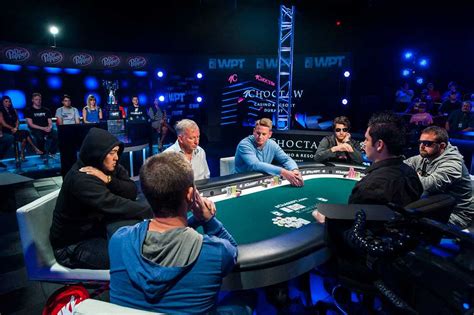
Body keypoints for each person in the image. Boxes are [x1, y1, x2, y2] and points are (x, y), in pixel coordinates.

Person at [109, 152, 237, 313]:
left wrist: (195, 220)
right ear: (191, 195)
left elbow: (170, 234)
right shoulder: (216, 251)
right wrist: (207, 219)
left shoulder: (119, 240)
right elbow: (233, 250)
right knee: (246, 298)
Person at [50, 127, 152, 269]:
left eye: (116, 152)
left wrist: (108, 179)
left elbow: (132, 191)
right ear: (97, 153)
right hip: (73, 245)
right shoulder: (81, 178)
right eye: (111, 153)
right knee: (135, 257)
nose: (116, 157)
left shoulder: (109, 167)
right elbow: (113, 203)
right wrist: (153, 211)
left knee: (143, 245)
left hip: (96, 230)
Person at [313, 111, 423, 222]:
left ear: (379, 145)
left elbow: (353, 229)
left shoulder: (368, 186)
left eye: (366, 139)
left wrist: (326, 221)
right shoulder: (411, 174)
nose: (364, 144)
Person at [404, 126, 473, 229]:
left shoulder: (453, 164)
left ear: (442, 146)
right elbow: (400, 168)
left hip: (455, 215)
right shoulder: (425, 156)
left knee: (407, 223)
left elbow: (427, 185)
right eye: (421, 142)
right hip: (435, 206)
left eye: (427, 143)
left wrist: (408, 174)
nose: (422, 146)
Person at [234, 118, 303, 186]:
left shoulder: (272, 144)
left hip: (261, 180)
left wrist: (295, 170)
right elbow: (255, 165)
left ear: (269, 134)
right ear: (254, 131)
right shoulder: (244, 144)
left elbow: (286, 159)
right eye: (258, 133)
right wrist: (283, 172)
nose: (260, 137)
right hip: (241, 182)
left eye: (264, 134)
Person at [0, 95, 43, 162]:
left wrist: (16, 127)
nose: (8, 103)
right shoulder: (1, 111)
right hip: (7, 131)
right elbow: (3, 123)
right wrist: (12, 128)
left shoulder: (13, 110)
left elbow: (17, 120)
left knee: (25, 134)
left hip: (15, 130)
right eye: (6, 101)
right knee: (25, 135)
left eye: (9, 101)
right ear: (2, 102)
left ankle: (26, 153)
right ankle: (31, 150)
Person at [24, 92, 58, 160]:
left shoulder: (46, 110)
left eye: (40, 99)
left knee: (57, 134)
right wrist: (43, 128)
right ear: (32, 100)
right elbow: (31, 124)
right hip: (36, 129)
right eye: (36, 99)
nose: (38, 101)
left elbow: (50, 122)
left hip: (46, 128)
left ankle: (52, 152)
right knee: (40, 137)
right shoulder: (29, 110)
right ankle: (43, 153)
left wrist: (49, 127)